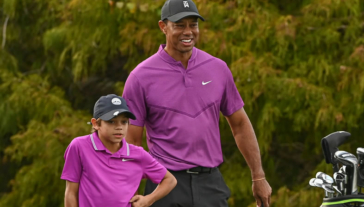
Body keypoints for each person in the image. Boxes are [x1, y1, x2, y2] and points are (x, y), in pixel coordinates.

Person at [122, 0, 272, 206]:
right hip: (165, 185)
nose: (188, 31)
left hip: (211, 184)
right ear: (163, 27)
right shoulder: (140, 77)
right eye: (180, 25)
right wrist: (127, 194)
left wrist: (258, 176)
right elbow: (132, 144)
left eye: (193, 24)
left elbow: (240, 125)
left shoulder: (217, 68)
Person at [61, 94, 177, 207]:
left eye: (124, 121)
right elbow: (71, 192)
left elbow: (169, 180)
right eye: (111, 121)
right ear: (96, 124)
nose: (119, 127)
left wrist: (148, 200)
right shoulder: (79, 146)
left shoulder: (138, 154)